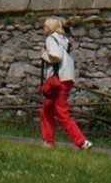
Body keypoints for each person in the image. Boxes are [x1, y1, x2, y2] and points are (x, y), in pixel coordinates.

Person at [39, 17, 91, 150]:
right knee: (47, 109)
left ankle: (81, 142)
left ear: (49, 28)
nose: (43, 28)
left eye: (45, 26)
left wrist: (44, 55)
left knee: (61, 113)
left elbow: (56, 56)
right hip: (67, 79)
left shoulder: (51, 39)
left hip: (57, 80)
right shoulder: (64, 40)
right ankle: (48, 141)